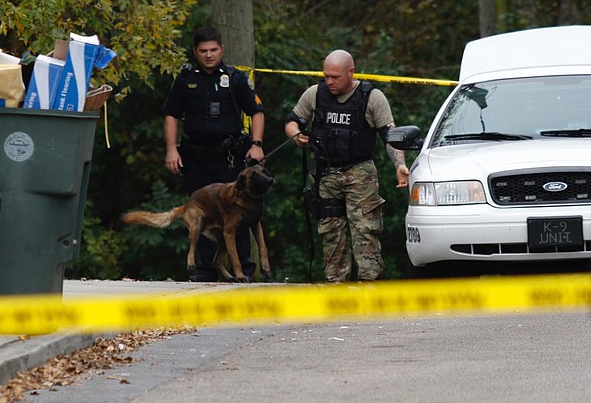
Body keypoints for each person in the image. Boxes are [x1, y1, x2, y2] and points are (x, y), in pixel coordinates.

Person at [284, 49, 409, 283]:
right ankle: (335, 284)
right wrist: (296, 134)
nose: (329, 81)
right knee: (331, 231)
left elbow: (390, 135)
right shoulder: (315, 94)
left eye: (335, 77)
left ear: (351, 72)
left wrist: (399, 165)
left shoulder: (371, 97)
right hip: (325, 173)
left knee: (365, 229)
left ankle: (368, 283)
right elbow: (292, 121)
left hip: (359, 172)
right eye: (326, 76)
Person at [163, 27, 266, 282]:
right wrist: (171, 149)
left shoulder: (236, 79)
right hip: (196, 156)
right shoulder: (185, 79)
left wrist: (257, 143)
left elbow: (257, 111)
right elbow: (171, 115)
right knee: (203, 213)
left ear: (222, 49)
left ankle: (244, 270)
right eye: (203, 51)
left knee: (239, 212)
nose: (209, 55)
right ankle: (208, 270)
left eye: (213, 50)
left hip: (229, 156)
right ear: (195, 52)